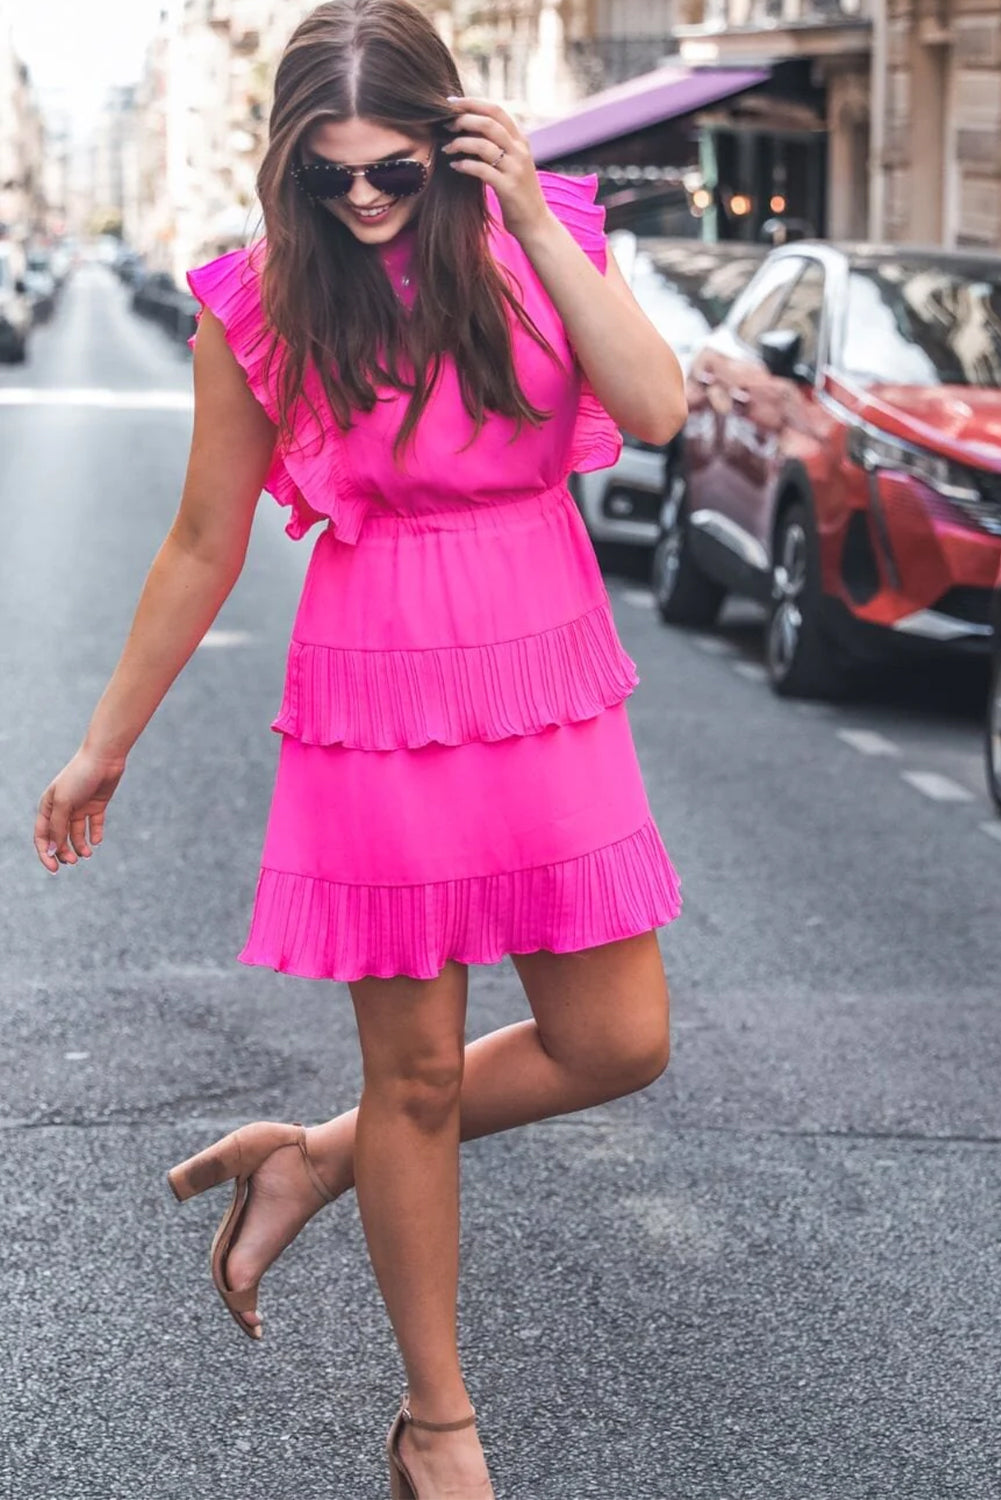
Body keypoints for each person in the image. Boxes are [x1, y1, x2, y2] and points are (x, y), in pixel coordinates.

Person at [33, 2, 687, 1495]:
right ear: (289, 172)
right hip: (375, 690)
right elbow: (204, 539)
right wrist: (102, 748)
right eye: (326, 177)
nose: (363, 200)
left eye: (390, 165)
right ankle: (436, 1425)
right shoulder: (262, 298)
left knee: (620, 1039)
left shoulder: (536, 236)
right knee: (419, 1078)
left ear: (450, 136)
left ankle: (313, 1155)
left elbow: (652, 407)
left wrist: (524, 207)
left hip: (546, 674)